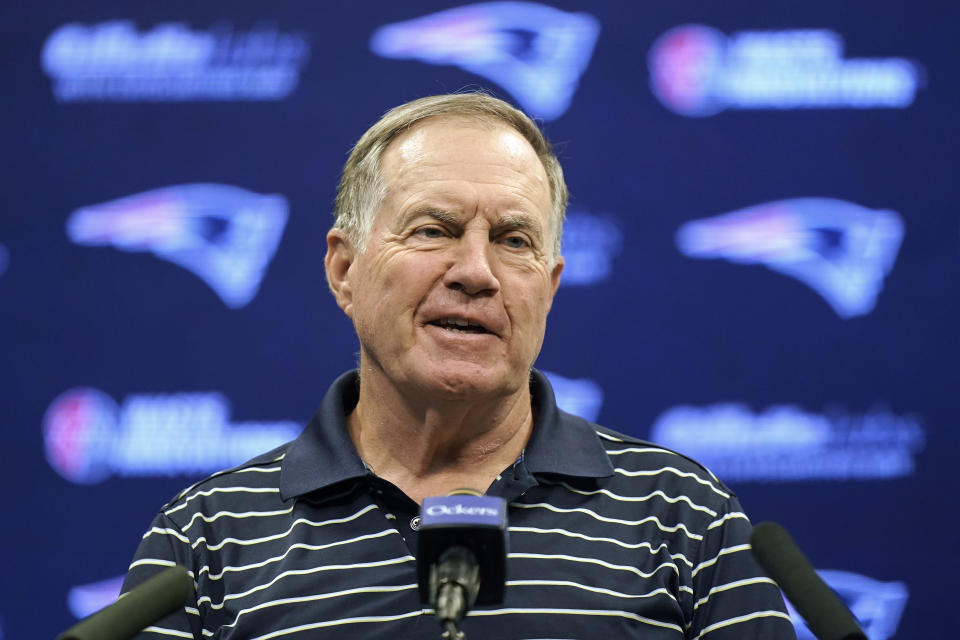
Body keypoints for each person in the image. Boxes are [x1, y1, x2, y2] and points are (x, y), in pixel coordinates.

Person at [121, 92, 797, 639]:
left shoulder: (682, 516)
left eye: (513, 240)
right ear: (343, 271)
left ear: (550, 287)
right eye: (433, 230)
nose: (476, 272)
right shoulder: (206, 538)